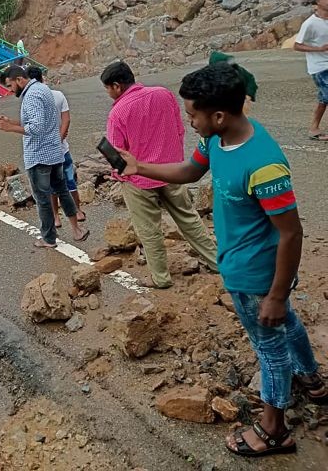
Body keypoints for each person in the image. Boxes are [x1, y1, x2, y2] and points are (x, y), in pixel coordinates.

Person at [118, 63, 326, 458]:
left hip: (257, 276)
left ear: (218, 115)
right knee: (286, 328)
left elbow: (291, 233)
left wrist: (277, 295)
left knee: (270, 350)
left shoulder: (264, 163)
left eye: (192, 114)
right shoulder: (217, 140)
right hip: (242, 266)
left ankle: (274, 431)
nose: (188, 121)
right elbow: (189, 171)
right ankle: (313, 381)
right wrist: (139, 166)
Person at [101, 61, 217, 288]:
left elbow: (118, 154)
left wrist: (119, 175)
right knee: (189, 219)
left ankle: (160, 277)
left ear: (116, 86)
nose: (108, 94)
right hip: (173, 172)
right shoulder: (163, 94)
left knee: (149, 230)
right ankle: (216, 262)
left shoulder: (117, 113)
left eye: (107, 88)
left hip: (139, 179)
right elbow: (180, 128)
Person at [0, 65, 88, 245]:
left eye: (10, 85)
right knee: (63, 191)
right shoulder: (43, 89)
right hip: (54, 152)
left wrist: (10, 128)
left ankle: (49, 238)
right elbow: (39, 120)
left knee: (43, 199)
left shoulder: (30, 96)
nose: (10, 90)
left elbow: (36, 128)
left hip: (39, 156)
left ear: (19, 80)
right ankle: (77, 230)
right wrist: (12, 121)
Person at [27, 68, 85, 224]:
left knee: (51, 187)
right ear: (43, 79)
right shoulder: (58, 95)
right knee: (69, 181)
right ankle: (77, 211)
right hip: (61, 148)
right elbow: (66, 120)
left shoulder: (30, 100)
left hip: (44, 154)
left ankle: (56, 216)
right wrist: (59, 138)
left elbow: (31, 129)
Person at [293, 0, 328, 141]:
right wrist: (319, 49)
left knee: (324, 99)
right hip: (320, 68)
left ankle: (313, 129)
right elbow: (297, 45)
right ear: (318, 1)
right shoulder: (310, 24)